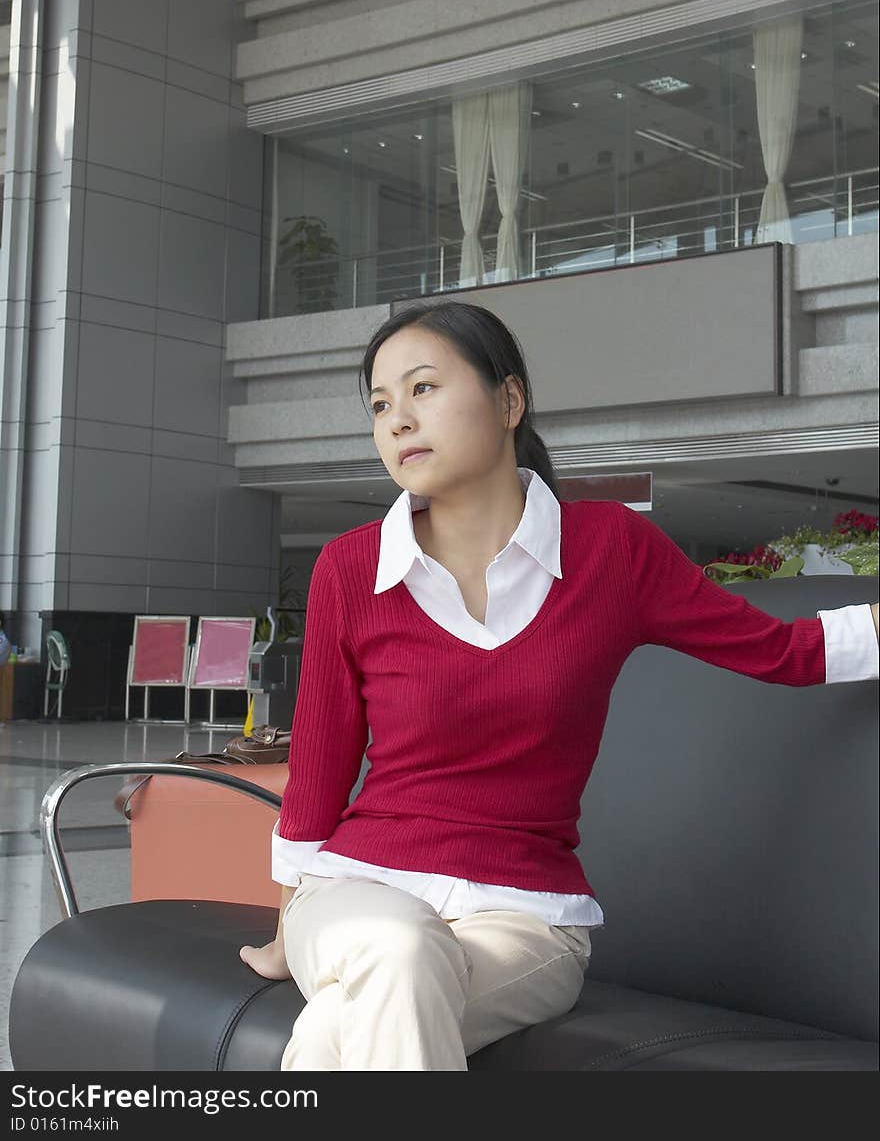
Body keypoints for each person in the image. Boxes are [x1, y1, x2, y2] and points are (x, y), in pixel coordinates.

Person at [241, 299, 880, 1071]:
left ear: (509, 400)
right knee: (400, 951)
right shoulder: (349, 569)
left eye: (423, 389)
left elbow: (780, 649)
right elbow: (320, 768)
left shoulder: (612, 550)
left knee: (339, 1030)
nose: (398, 421)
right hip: (358, 894)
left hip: (524, 919)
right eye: (379, 405)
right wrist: (287, 929)